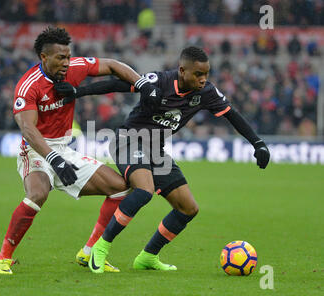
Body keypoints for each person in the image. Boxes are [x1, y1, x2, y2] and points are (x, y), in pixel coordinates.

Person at [57, 46, 270, 273]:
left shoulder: (206, 92)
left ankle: (147, 257)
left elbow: (232, 114)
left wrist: (257, 143)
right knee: (143, 190)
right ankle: (99, 249)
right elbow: (117, 84)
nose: (203, 79)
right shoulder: (160, 81)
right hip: (128, 140)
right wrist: (78, 92)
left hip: (155, 150)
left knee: (188, 208)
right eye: (198, 74)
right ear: (182, 71)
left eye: (206, 74)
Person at [0, 26, 159, 275]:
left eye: (68, 56)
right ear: (44, 57)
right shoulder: (29, 87)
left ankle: (88, 252)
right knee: (38, 194)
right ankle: (3, 259)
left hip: (63, 148)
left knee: (120, 187)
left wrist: (141, 82)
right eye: (61, 57)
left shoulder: (74, 68)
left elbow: (112, 65)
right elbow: (28, 129)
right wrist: (53, 158)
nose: (67, 63)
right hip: (37, 150)